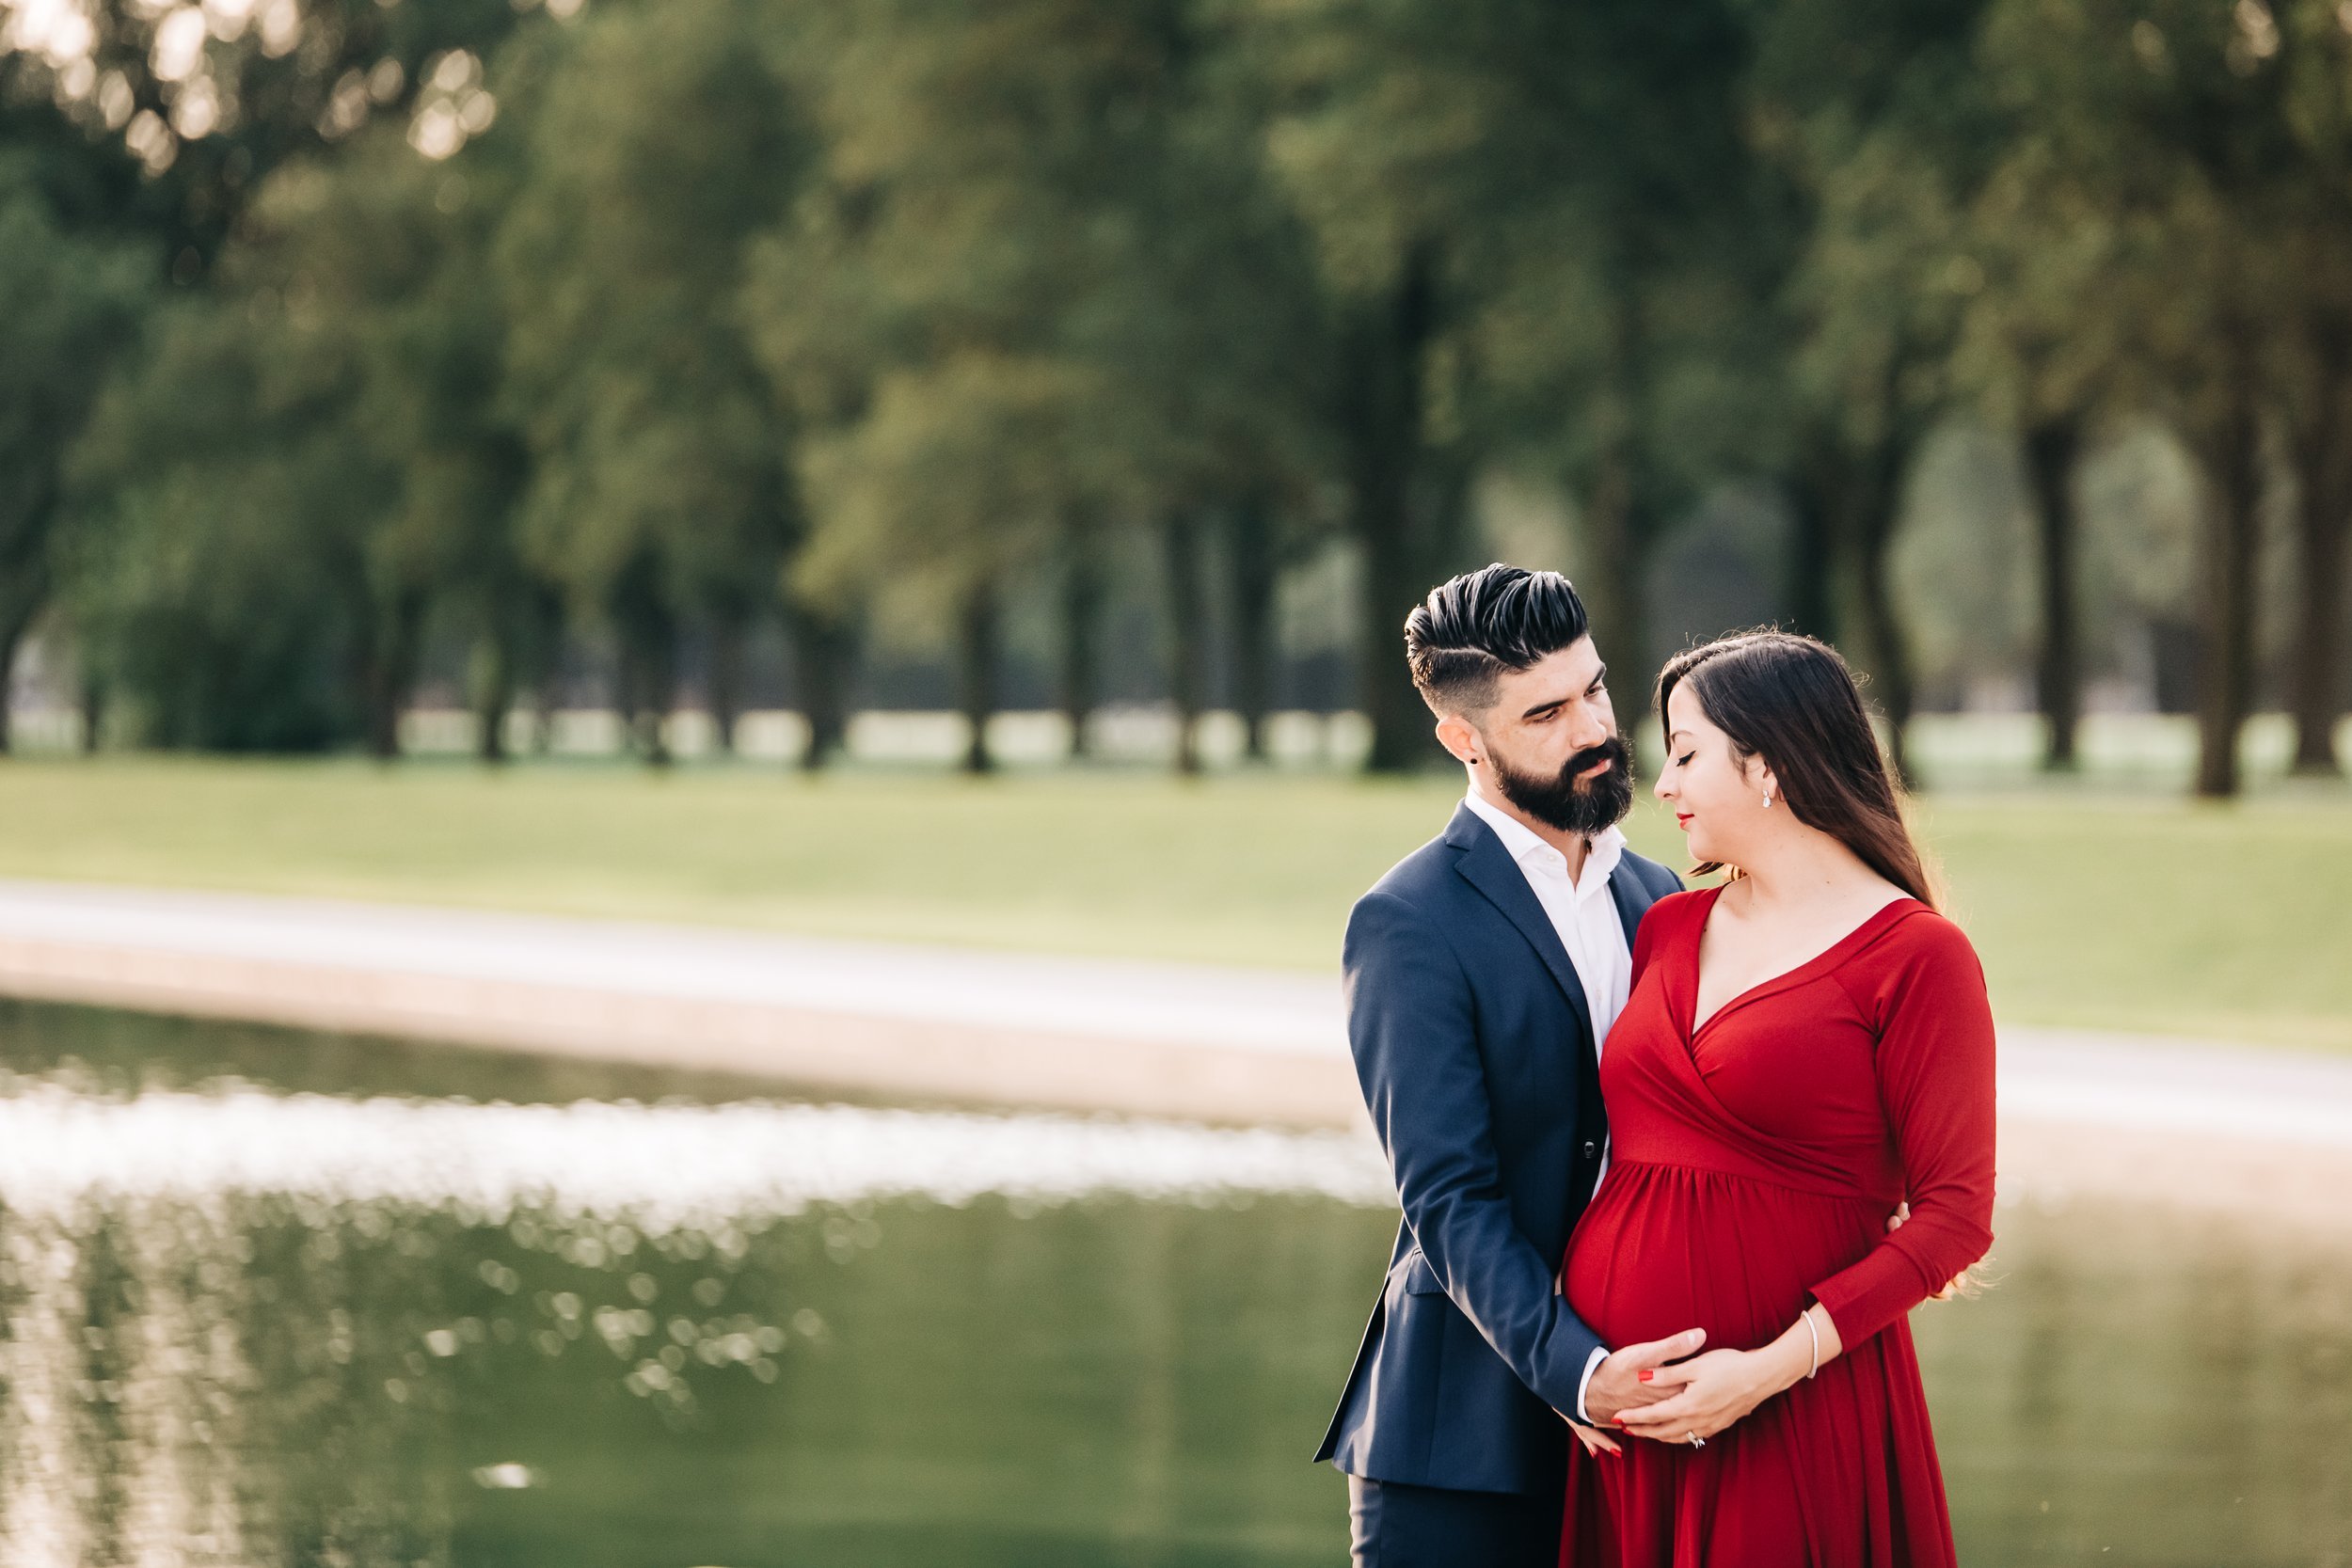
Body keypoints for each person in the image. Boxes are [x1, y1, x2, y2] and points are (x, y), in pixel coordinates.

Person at [1557, 629, 1996, 1566]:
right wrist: (1569, 1362)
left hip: (1789, 1407)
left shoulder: (1916, 956)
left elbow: (1955, 1217)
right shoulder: (1668, 926)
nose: (1661, 784)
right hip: (1624, 1417)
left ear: (1766, 764)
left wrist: (1762, 1372)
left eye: (1684, 752)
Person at [1315, 563, 1705, 1568]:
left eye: (1594, 689)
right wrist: (1579, 1373)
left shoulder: (1659, 896)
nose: (1590, 729)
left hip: (1646, 1424)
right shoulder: (1408, 920)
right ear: (1463, 739)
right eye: (1545, 713)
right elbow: (1450, 1195)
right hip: (1460, 1444)